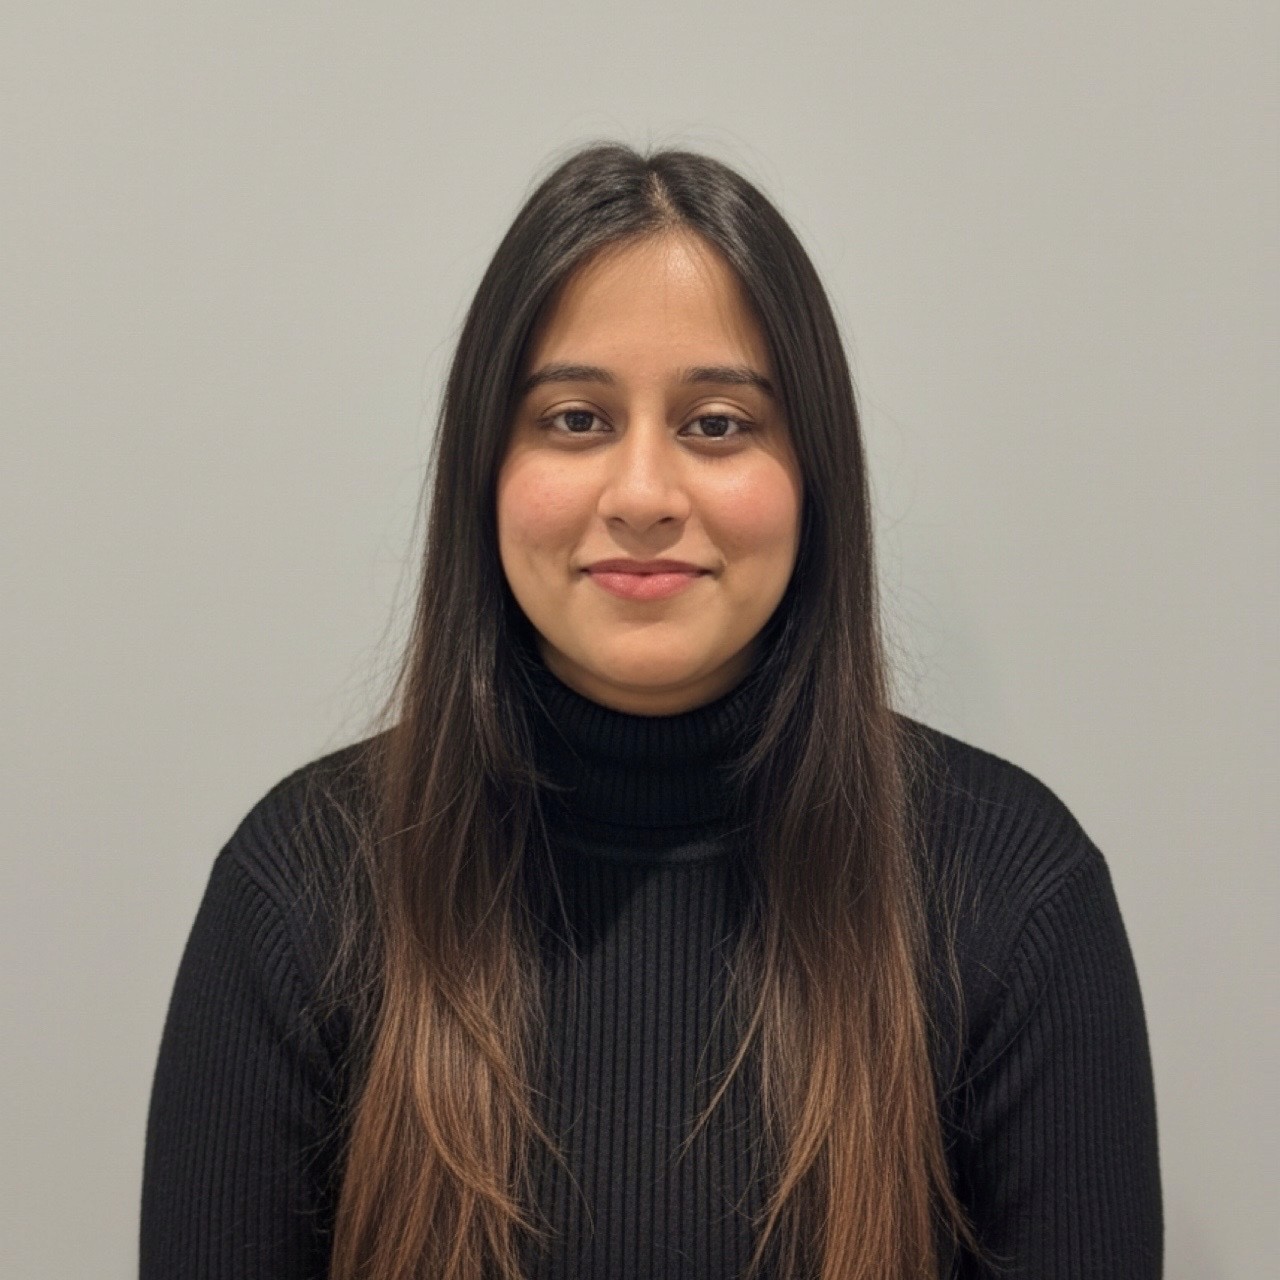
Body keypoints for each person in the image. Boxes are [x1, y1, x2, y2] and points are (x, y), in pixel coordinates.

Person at [139, 143, 1163, 1280]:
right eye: (575, 419)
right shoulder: (302, 886)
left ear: (812, 473)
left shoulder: (1013, 891)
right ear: (485, 467)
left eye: (716, 423)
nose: (641, 496)